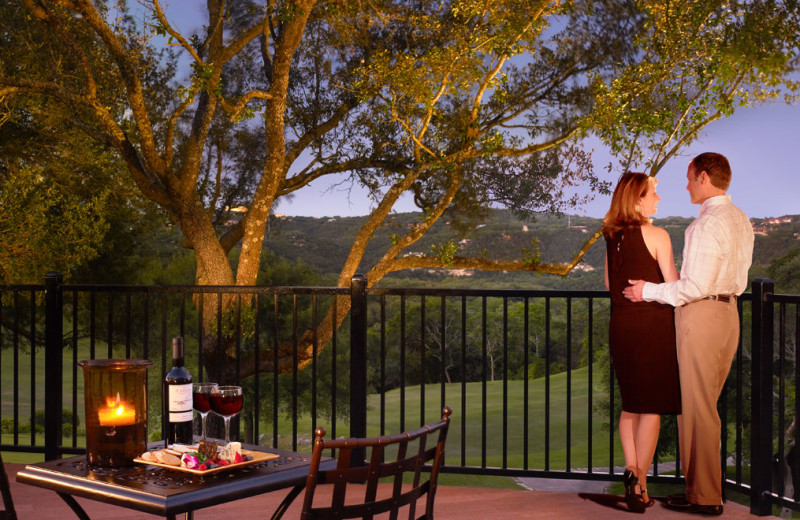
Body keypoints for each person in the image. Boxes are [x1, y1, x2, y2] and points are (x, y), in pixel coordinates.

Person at [623, 152, 754, 515]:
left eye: (689, 177)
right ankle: (699, 491)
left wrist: (647, 290)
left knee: (697, 411)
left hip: (702, 317)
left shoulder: (705, 224)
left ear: (704, 179)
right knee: (700, 409)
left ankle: (706, 498)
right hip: (729, 315)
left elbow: (691, 287)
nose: (685, 185)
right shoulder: (741, 218)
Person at [602, 172, 681, 513]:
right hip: (652, 327)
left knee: (630, 403)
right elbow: (674, 287)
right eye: (652, 194)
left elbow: (609, 285)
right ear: (636, 199)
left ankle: (632, 472)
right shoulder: (658, 235)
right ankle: (641, 483)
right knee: (649, 408)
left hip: (621, 326)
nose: (658, 199)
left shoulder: (612, 236)